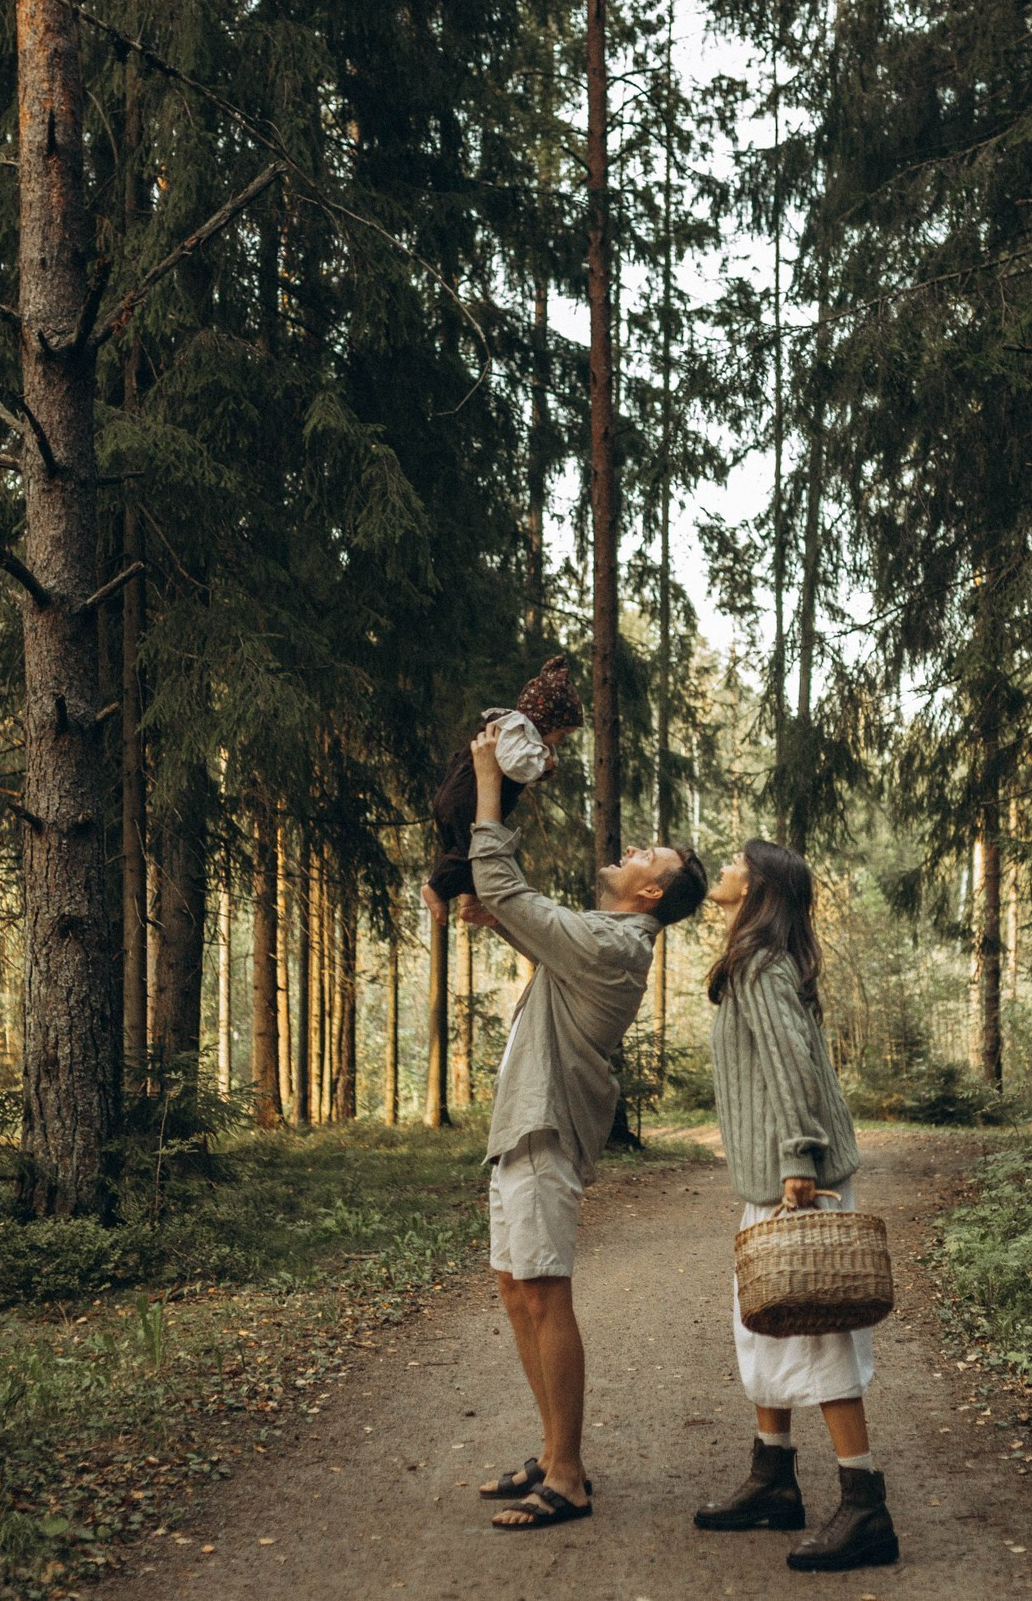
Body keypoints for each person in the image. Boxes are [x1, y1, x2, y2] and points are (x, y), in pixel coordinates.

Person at [461, 725, 708, 1531]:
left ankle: (566, 1476)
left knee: (545, 1291)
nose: (633, 848)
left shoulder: (615, 942)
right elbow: (516, 912)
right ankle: (551, 1446)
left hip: (544, 1130)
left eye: (648, 855)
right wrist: (499, 919)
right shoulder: (604, 939)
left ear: (647, 895)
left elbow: (507, 890)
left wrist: (488, 781)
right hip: (519, 1127)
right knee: (514, 1287)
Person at [690, 839, 896, 1572]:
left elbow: (793, 1067)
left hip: (796, 1177)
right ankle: (774, 1478)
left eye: (737, 861)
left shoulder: (761, 965)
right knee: (766, 1324)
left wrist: (797, 1162)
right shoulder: (759, 961)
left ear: (760, 887)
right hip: (777, 1178)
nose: (725, 868)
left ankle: (865, 1503)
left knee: (818, 1331)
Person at [423, 656, 586, 929]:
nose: (561, 740)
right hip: (465, 803)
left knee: (470, 852)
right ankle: (435, 890)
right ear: (545, 722)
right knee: (475, 851)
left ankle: (470, 903)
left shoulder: (518, 731)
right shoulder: (515, 731)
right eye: (562, 734)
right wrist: (541, 765)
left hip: (459, 799)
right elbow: (514, 766)